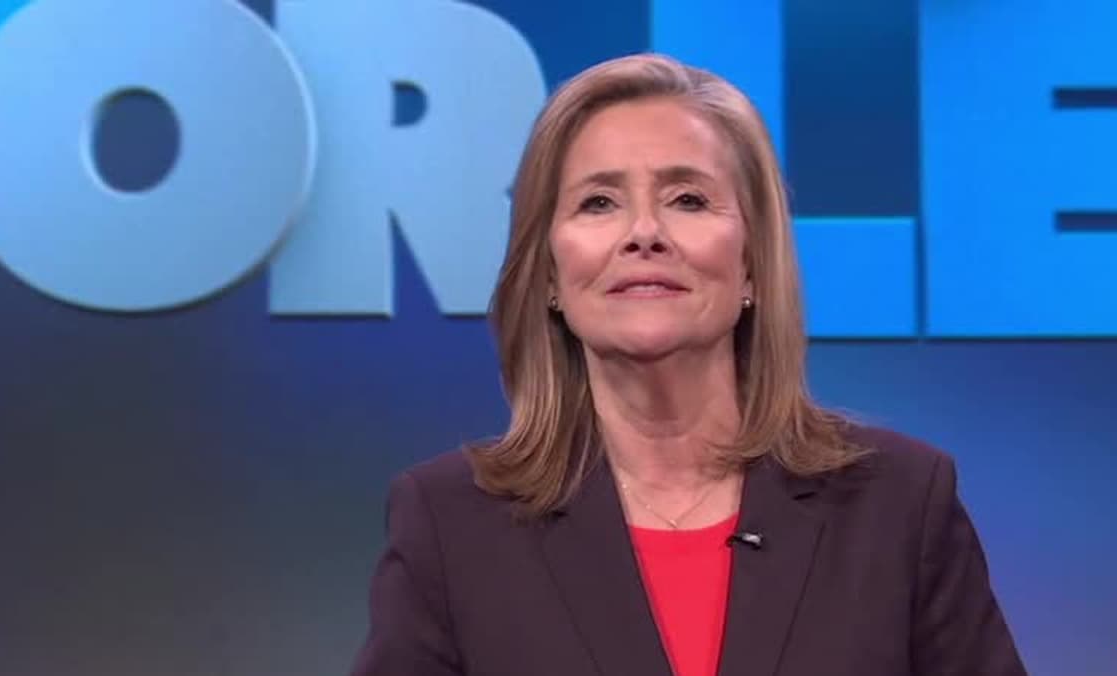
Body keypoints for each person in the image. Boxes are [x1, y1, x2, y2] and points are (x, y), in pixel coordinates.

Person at [350, 53, 1027, 676]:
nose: (644, 233)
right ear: (550, 272)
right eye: (598, 202)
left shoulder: (898, 505)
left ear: (752, 263)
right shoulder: (451, 525)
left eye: (688, 200)